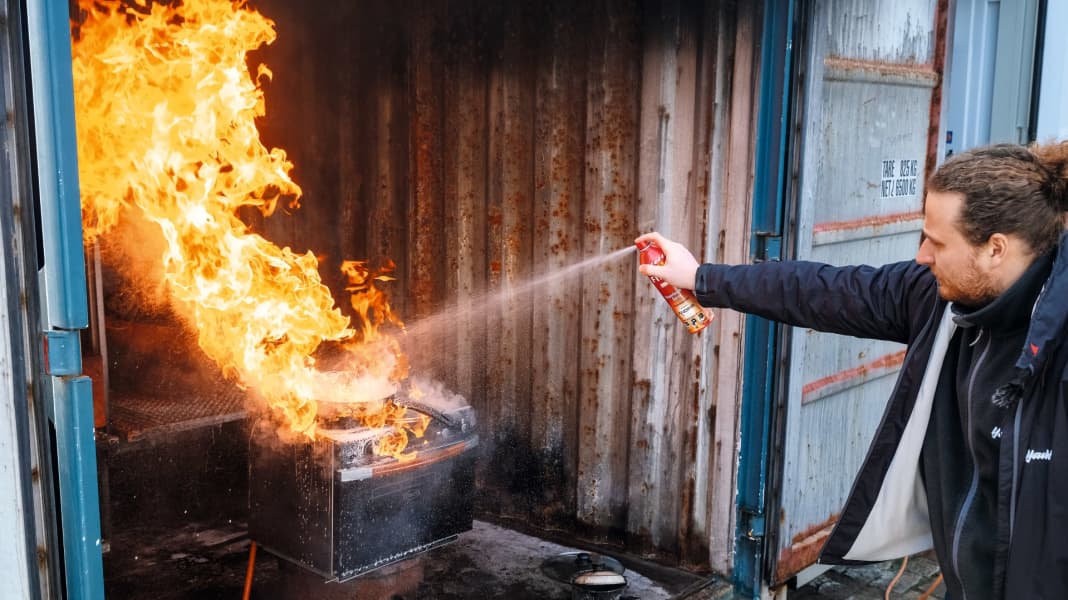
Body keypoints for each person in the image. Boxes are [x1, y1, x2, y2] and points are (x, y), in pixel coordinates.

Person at [637, 141, 1068, 600]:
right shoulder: (941, 301)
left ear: (995, 249)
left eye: (937, 242)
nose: (922, 255)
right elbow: (826, 290)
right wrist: (703, 278)